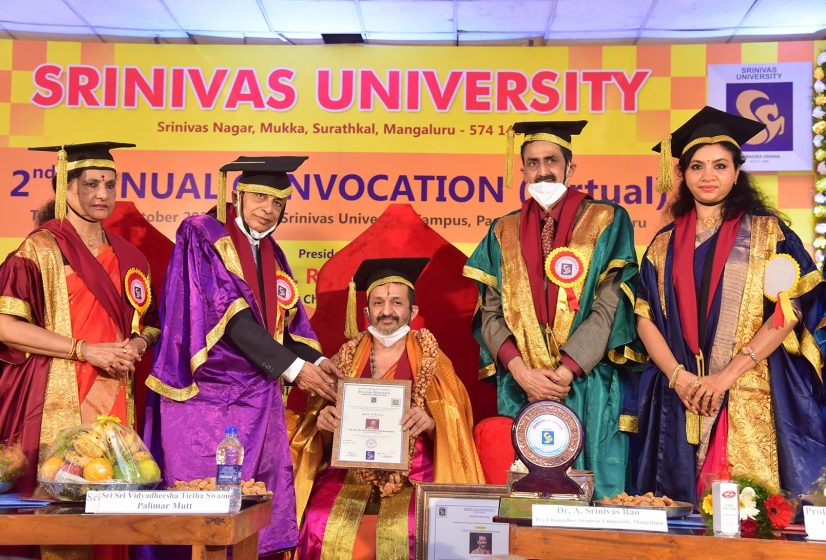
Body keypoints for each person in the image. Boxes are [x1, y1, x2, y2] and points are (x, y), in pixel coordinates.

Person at [143, 156, 341, 557]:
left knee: (250, 510)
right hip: (205, 396)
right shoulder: (203, 233)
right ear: (238, 194)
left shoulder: (272, 253)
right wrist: (295, 369)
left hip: (256, 398)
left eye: (278, 203)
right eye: (260, 197)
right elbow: (228, 315)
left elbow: (285, 327)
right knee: (203, 511)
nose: (268, 209)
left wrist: (317, 362)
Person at [635, 106, 826, 503]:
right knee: (679, 512)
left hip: (748, 388)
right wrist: (678, 377)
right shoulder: (662, 244)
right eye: (697, 166)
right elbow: (644, 316)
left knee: (750, 513)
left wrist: (724, 377)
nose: (708, 176)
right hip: (681, 393)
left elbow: (789, 312)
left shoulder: (770, 235)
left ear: (737, 172)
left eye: (720, 166)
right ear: (682, 174)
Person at [464, 121, 642, 499]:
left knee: (595, 496)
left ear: (570, 168)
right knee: (526, 501)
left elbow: (610, 305)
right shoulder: (501, 231)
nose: (542, 170)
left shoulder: (607, 220)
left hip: (587, 383)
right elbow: (489, 313)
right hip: (523, 388)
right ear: (522, 170)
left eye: (551, 160)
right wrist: (521, 372)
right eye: (533, 163)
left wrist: (565, 372)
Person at [0, 142, 159, 496]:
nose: (103, 194)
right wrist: (84, 350)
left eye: (110, 184)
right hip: (57, 391)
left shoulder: (131, 257)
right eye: (91, 184)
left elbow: (150, 324)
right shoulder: (39, 250)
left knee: (112, 492)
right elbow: (5, 327)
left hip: (116, 390)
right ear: (65, 187)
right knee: (58, 494)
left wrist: (136, 344)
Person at [291, 258, 485, 560]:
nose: (386, 311)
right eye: (378, 302)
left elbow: (455, 425)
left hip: (414, 473)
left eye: (396, 302)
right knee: (319, 520)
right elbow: (321, 441)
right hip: (350, 474)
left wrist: (431, 423)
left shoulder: (433, 360)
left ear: (412, 311)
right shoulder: (343, 360)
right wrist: (324, 426)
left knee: (413, 524)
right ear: (366, 311)